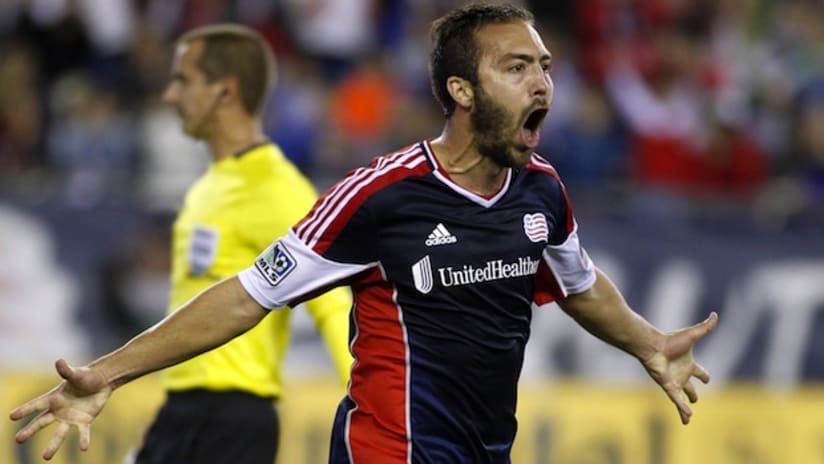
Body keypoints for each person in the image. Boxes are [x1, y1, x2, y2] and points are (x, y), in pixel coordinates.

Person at [10, 5, 717, 463]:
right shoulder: (381, 196)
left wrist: (649, 341)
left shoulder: (542, 189)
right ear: (461, 92)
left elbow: (578, 283)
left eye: (544, 67)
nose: (542, 84)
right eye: (516, 67)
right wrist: (106, 372)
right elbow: (248, 295)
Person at [121, 24, 355, 464]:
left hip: (234, 418)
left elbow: (333, 304)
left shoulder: (276, 186)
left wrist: (376, 409)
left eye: (183, 80)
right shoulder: (206, 186)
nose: (171, 96)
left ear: (225, 91)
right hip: (181, 410)